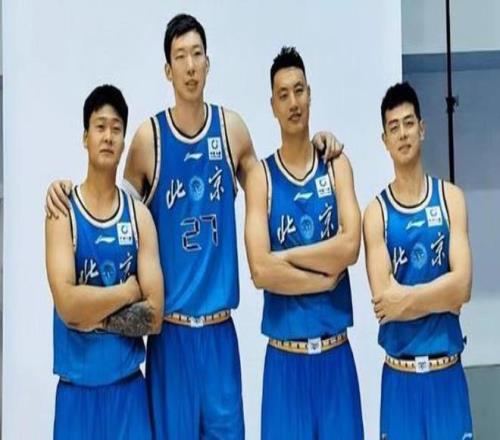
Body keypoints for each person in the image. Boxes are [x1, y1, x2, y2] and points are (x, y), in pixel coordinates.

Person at [45, 14, 342, 438]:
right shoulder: (148, 139)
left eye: (196, 54)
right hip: (171, 334)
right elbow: (113, 211)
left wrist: (316, 144)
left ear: (208, 63)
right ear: (168, 70)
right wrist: (65, 189)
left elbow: (275, 186)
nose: (189, 66)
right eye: (180, 57)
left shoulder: (232, 130)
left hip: (220, 330)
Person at [245, 47, 363, 439]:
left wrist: (288, 257)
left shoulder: (336, 165)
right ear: (273, 106)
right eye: (284, 95)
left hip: (335, 355)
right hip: (285, 359)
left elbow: (350, 247)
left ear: (310, 94)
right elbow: (260, 270)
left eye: (299, 90)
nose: (293, 102)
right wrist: (323, 278)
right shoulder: (261, 177)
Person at [45, 84, 164, 439]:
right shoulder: (62, 212)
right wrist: (127, 292)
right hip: (76, 395)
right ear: (85, 137)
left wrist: (89, 316)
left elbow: (154, 315)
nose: (108, 136)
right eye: (100, 127)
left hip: (128, 393)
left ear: (124, 141)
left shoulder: (139, 218)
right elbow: (68, 305)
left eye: (116, 128)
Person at [363, 82, 473, 439]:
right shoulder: (377, 213)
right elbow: (385, 303)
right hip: (400, 379)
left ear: (422, 129)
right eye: (393, 127)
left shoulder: (450, 199)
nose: (403, 133)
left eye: (409, 123)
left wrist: (406, 298)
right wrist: (441, 296)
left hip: (446, 373)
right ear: (384, 140)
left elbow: (462, 288)